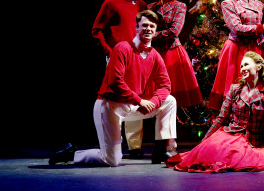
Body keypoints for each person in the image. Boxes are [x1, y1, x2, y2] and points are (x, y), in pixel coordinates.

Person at [49, 10, 178, 166]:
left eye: (152, 26)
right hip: (110, 105)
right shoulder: (122, 48)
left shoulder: (155, 55)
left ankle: (160, 150)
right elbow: (115, 81)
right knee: (111, 160)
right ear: (136, 28)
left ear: (156, 31)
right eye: (144, 25)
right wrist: (139, 101)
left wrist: (154, 102)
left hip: (132, 105)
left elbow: (165, 85)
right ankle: (73, 154)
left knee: (169, 101)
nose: (148, 29)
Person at [169, 51, 264, 172]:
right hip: (230, 134)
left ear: (259, 67)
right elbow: (221, 118)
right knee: (211, 152)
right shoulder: (235, 90)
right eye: (241, 66)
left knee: (236, 157)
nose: (243, 68)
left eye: (246, 64)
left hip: (252, 141)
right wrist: (204, 141)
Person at [91, 0, 148, 158]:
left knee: (136, 95)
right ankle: (114, 143)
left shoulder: (142, 5)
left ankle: (135, 147)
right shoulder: (112, 3)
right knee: (116, 98)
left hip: (137, 59)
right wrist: (109, 51)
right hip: (118, 59)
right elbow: (96, 30)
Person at [208, 0, 264, 111]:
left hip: (255, 49)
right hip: (236, 48)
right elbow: (237, 28)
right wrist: (261, 27)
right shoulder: (228, 4)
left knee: (255, 85)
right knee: (235, 85)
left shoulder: (258, 4)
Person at [148, 0, 202, 107]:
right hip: (154, 55)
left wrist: (151, 36)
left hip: (172, 54)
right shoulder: (150, 8)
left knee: (174, 99)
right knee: (154, 98)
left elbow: (174, 31)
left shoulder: (179, 6)